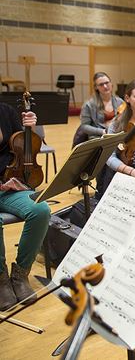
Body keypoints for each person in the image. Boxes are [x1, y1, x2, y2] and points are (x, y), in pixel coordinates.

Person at [0, 103, 51, 311]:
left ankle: (20, 275)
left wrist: (29, 129)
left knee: (41, 210)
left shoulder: (6, 111)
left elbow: (22, 148)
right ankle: (1, 279)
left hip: (9, 185)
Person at [77, 72, 125, 143]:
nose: (105, 86)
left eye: (107, 83)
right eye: (101, 85)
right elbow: (84, 126)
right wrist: (103, 131)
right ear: (96, 87)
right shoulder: (89, 105)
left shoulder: (120, 102)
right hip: (97, 138)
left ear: (111, 84)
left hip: (116, 136)